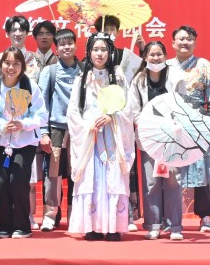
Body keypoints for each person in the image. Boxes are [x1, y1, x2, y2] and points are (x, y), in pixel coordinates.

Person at [67, 32, 134, 241]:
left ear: (110, 52)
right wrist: (88, 125)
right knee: (92, 180)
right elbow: (73, 112)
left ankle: (113, 227)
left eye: (104, 49)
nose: (99, 53)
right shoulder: (81, 80)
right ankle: (92, 226)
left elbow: (128, 109)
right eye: (95, 49)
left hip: (113, 136)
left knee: (112, 178)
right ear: (88, 52)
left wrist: (112, 117)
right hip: (90, 138)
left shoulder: (119, 78)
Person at [127, 41, 187, 241]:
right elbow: (134, 109)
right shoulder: (138, 80)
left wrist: (172, 126)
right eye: (151, 54)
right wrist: (147, 126)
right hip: (149, 139)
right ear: (145, 57)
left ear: (165, 56)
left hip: (172, 139)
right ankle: (153, 225)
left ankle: (174, 226)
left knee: (173, 180)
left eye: (159, 54)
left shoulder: (176, 77)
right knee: (151, 182)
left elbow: (183, 105)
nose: (155, 58)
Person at [166, 25, 210, 233]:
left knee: (201, 170)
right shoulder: (166, 65)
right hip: (172, 124)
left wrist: (209, 123)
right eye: (181, 39)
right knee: (170, 171)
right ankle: (169, 218)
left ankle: (205, 215)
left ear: (195, 43)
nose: (185, 42)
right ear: (173, 43)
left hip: (198, 122)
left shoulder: (203, 65)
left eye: (189, 39)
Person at [0, 47, 49, 239]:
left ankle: (22, 225)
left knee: (18, 181)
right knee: (2, 182)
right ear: (1, 65)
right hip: (0, 143)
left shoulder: (30, 86)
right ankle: (5, 225)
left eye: (16, 64)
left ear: (22, 66)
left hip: (25, 142)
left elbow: (42, 115)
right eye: (7, 63)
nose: (11, 67)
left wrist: (23, 124)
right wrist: (1, 126)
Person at [93, 14, 144, 230]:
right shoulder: (93, 56)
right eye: (105, 29)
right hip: (99, 121)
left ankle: (128, 214)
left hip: (120, 119)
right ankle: (100, 217)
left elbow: (143, 73)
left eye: (113, 29)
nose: (110, 33)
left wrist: (142, 49)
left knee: (125, 167)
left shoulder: (126, 56)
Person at [36, 29, 81, 232]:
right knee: (52, 174)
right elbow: (41, 103)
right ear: (56, 48)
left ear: (76, 45)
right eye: (62, 44)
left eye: (70, 43)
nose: (66, 47)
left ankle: (75, 214)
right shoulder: (50, 71)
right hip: (56, 128)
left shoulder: (84, 70)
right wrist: (43, 132)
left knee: (76, 173)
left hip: (78, 130)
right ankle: (50, 215)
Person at [29, 20, 58, 229]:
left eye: (48, 33)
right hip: (32, 123)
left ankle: (51, 214)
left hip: (53, 121)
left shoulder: (61, 61)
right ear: (35, 37)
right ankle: (29, 214)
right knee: (31, 173)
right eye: (41, 34)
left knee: (51, 171)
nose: (45, 37)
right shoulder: (28, 61)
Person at [0, 15, 44, 83]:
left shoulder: (38, 59)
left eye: (21, 30)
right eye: (14, 30)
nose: (17, 34)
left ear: (27, 33)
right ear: (8, 33)